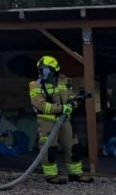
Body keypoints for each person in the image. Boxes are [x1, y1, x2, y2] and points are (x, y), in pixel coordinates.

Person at [29, 55, 93, 184]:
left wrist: (78, 99)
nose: (42, 73)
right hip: (47, 121)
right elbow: (41, 105)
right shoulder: (35, 85)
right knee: (50, 149)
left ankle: (75, 173)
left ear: (54, 69)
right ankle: (51, 176)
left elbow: (70, 99)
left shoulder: (63, 82)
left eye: (45, 70)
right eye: (40, 70)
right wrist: (62, 108)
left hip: (64, 120)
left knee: (73, 146)